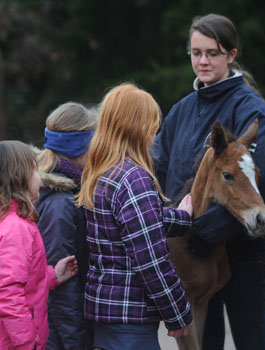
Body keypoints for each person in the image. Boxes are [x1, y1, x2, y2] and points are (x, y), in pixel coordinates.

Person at [153, 13, 265, 350]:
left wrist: (205, 231)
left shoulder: (249, 106)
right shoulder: (182, 110)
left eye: (212, 53)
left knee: (251, 342)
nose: (203, 61)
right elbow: (159, 170)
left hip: (241, 252)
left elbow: (263, 173)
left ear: (231, 55)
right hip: (192, 258)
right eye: (196, 53)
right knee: (205, 344)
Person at [76, 83, 194, 350]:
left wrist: (183, 217)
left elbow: (134, 226)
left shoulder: (98, 173)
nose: (155, 135)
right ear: (138, 128)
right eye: (153, 127)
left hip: (105, 312)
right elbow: (151, 260)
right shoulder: (134, 179)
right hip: (132, 322)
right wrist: (177, 313)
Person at [0, 140, 78, 350]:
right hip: (6, 343)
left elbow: (2, 277)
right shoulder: (16, 229)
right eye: (34, 170)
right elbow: (8, 293)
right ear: (18, 178)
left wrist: (52, 276)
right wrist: (27, 342)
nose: (39, 177)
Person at [36, 102, 97, 350]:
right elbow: (62, 291)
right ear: (81, 146)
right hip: (60, 338)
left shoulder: (71, 190)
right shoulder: (60, 204)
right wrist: (77, 344)